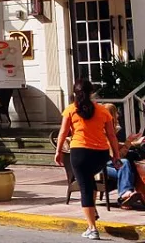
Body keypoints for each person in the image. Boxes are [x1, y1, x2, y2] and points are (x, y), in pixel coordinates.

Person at [55, 79, 121, 240]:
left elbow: (63, 132)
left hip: (80, 153)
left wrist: (58, 151)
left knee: (85, 188)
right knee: (89, 182)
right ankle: (93, 211)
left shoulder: (70, 110)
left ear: (75, 93)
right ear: (91, 93)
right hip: (101, 154)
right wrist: (116, 155)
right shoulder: (103, 111)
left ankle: (92, 228)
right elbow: (111, 135)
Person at [102, 103, 143, 208]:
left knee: (131, 163)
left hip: (110, 163)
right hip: (102, 166)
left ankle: (128, 197)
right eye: (116, 113)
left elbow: (117, 145)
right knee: (124, 164)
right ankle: (125, 194)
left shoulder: (110, 132)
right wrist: (128, 142)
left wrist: (134, 142)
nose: (118, 115)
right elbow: (117, 156)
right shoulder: (105, 133)